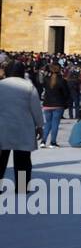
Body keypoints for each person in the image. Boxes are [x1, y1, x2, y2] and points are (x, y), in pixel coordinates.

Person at [0, 61, 42, 193]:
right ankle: (22, 187)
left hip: (3, 127)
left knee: (1, 160)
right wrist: (39, 125)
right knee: (23, 160)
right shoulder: (28, 86)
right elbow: (36, 108)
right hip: (23, 127)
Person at [39, 67, 70, 148]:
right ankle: (53, 142)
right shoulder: (62, 81)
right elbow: (66, 93)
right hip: (58, 104)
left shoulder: (46, 79)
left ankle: (43, 141)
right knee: (55, 124)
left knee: (47, 123)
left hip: (47, 103)